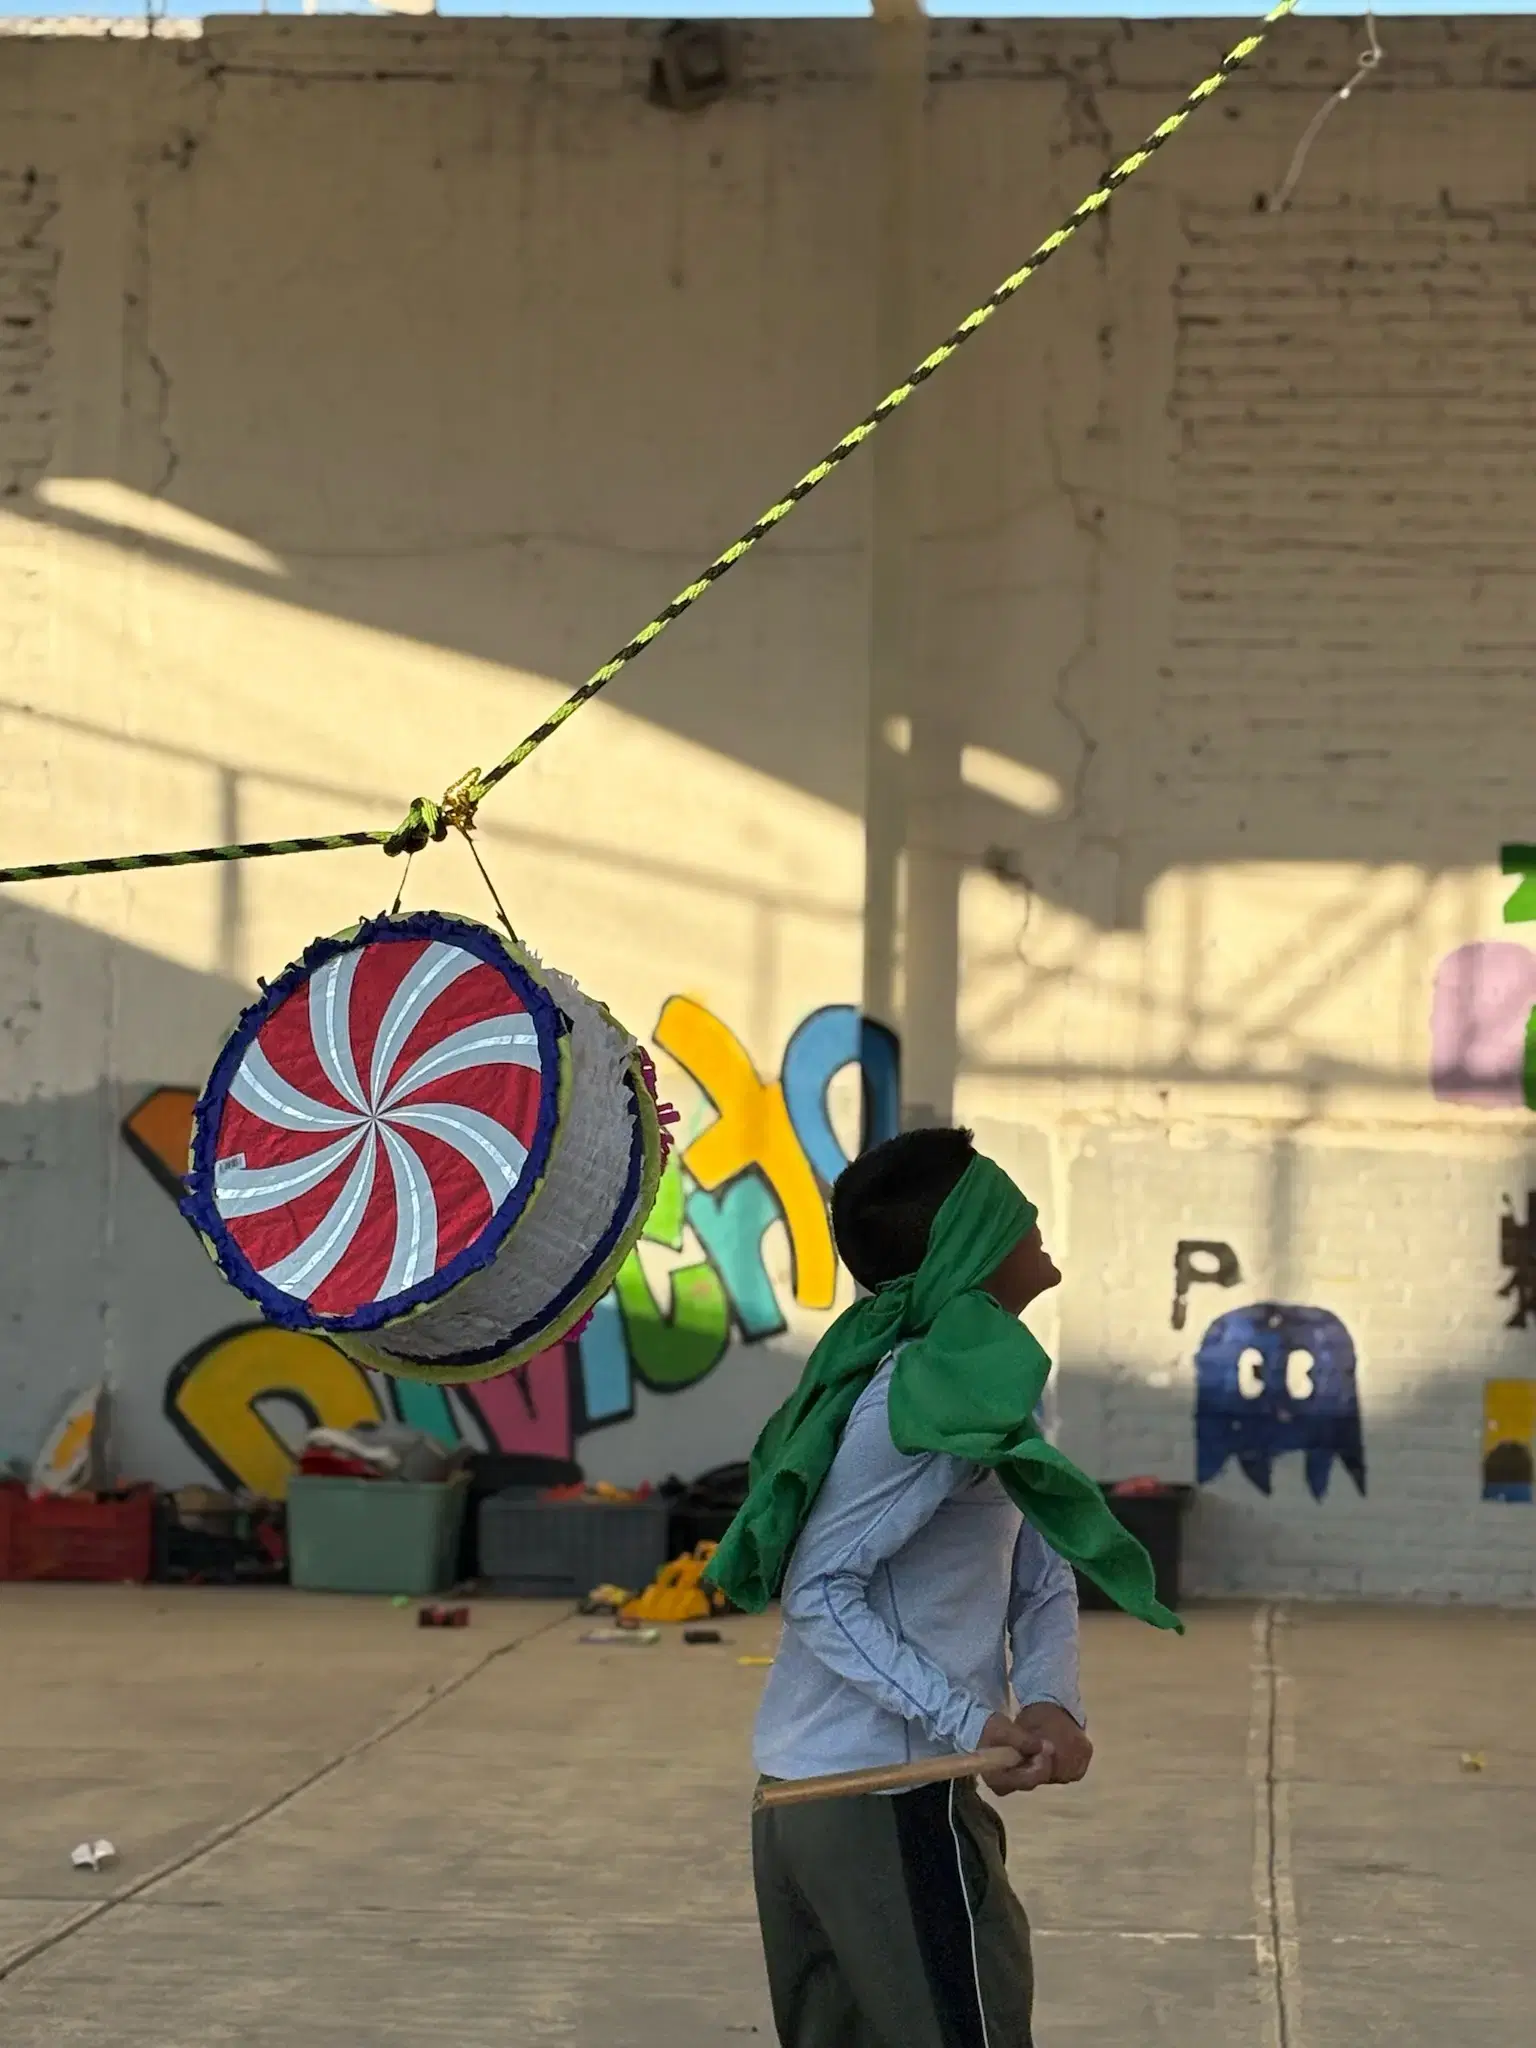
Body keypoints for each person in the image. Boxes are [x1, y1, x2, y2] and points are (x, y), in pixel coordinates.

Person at [706, 1127, 1181, 2048]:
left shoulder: (972, 1384)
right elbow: (819, 1590)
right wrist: (973, 1725)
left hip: (845, 1799)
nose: (1031, 1213)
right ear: (967, 1242)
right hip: (883, 1802)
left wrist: (1050, 1700)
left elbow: (1037, 1563)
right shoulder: (912, 1403)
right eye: (1003, 1201)